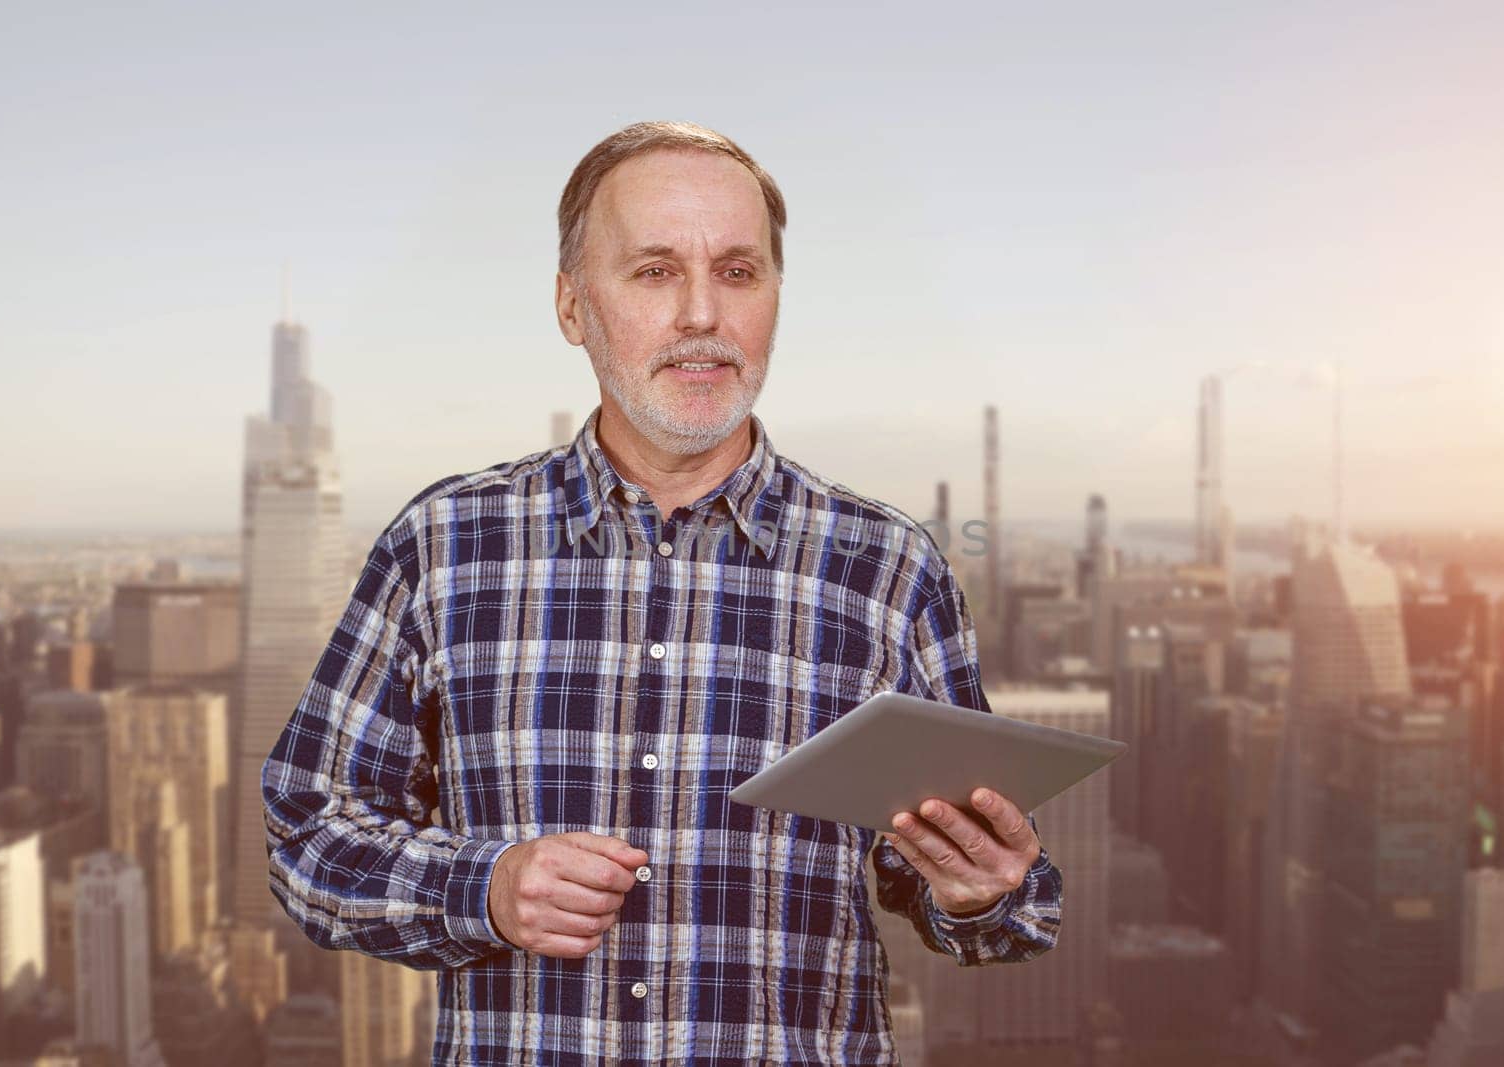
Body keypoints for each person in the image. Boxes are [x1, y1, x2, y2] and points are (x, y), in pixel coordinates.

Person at [262, 120, 1062, 1065]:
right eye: (652, 271)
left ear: (774, 297)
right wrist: (482, 887)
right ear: (572, 305)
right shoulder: (441, 549)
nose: (700, 315)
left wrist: (982, 888)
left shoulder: (888, 568)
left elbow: (989, 900)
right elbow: (307, 836)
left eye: (737, 271)